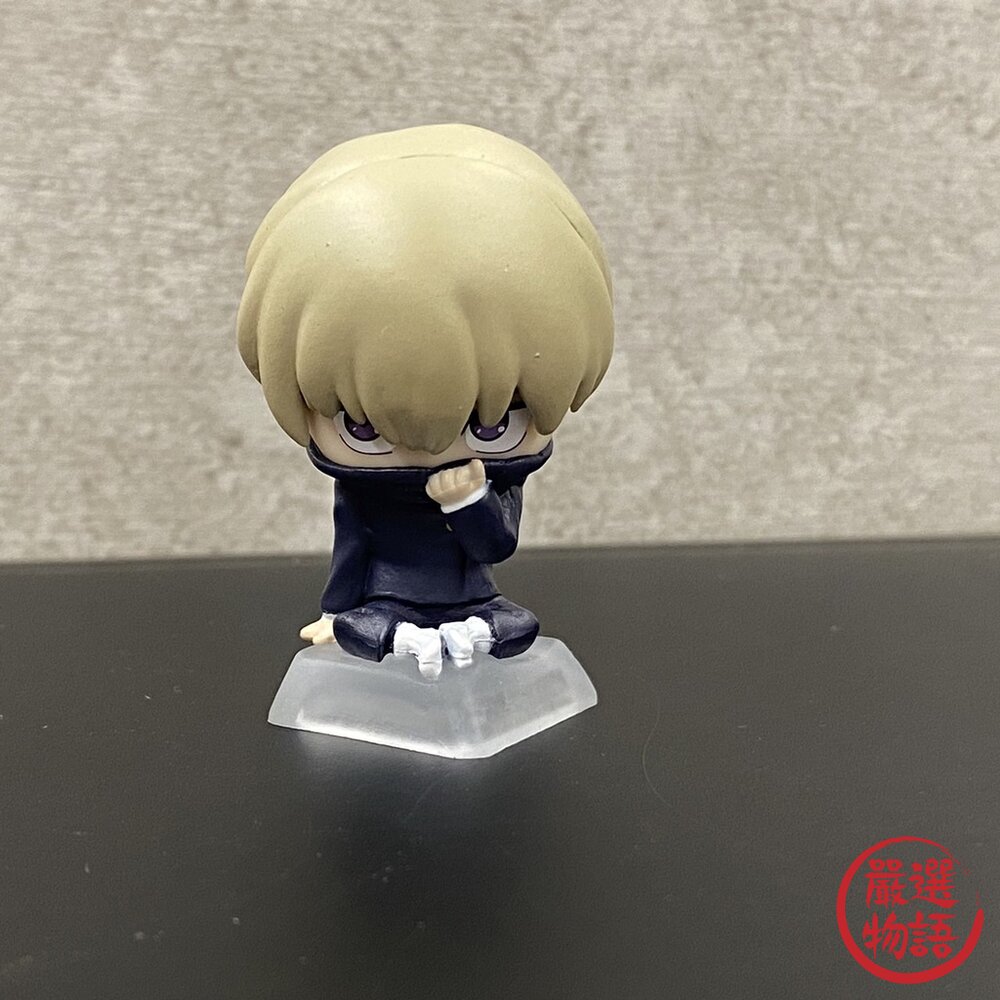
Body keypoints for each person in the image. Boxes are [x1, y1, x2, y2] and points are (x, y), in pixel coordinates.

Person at [237, 123, 614, 678]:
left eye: (490, 425)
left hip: (473, 598)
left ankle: (456, 635)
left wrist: (469, 500)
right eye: (363, 426)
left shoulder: (495, 481)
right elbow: (352, 542)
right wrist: (336, 610)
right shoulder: (363, 490)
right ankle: (396, 635)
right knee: (365, 629)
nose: (432, 449)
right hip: (386, 600)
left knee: (514, 627)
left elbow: (495, 544)